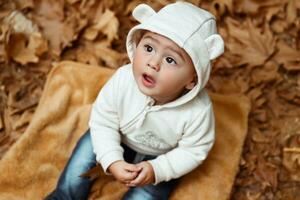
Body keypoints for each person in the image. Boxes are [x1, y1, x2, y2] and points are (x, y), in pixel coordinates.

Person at [45, 1, 224, 200]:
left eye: (170, 60)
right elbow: (103, 120)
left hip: (160, 157)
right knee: (82, 159)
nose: (153, 63)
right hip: (117, 135)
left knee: (150, 193)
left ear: (193, 79)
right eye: (149, 48)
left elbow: (194, 150)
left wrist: (158, 169)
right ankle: (64, 196)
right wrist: (112, 159)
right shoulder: (123, 80)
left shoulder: (197, 111)